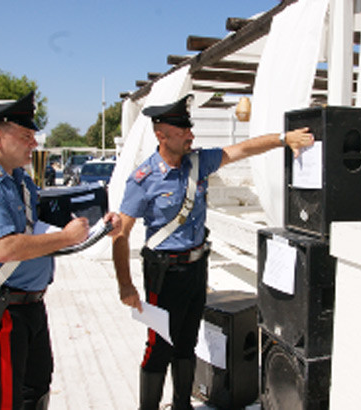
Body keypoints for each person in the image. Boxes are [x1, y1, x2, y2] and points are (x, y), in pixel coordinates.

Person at [111, 94, 313, 410]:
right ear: (161, 135)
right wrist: (125, 284)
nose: (191, 136)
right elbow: (121, 234)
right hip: (163, 274)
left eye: (189, 130)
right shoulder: (144, 178)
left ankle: (182, 405)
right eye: (183, 132)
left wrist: (282, 139)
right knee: (159, 348)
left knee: (187, 343)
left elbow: (243, 149)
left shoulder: (198, 162)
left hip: (195, 268)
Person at [0, 91, 121, 409]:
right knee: (5, 400)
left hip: (28, 304)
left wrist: (101, 224)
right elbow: (4, 248)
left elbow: (45, 215)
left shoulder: (17, 179)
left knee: (35, 388)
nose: (34, 144)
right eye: (26, 136)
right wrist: (67, 238)